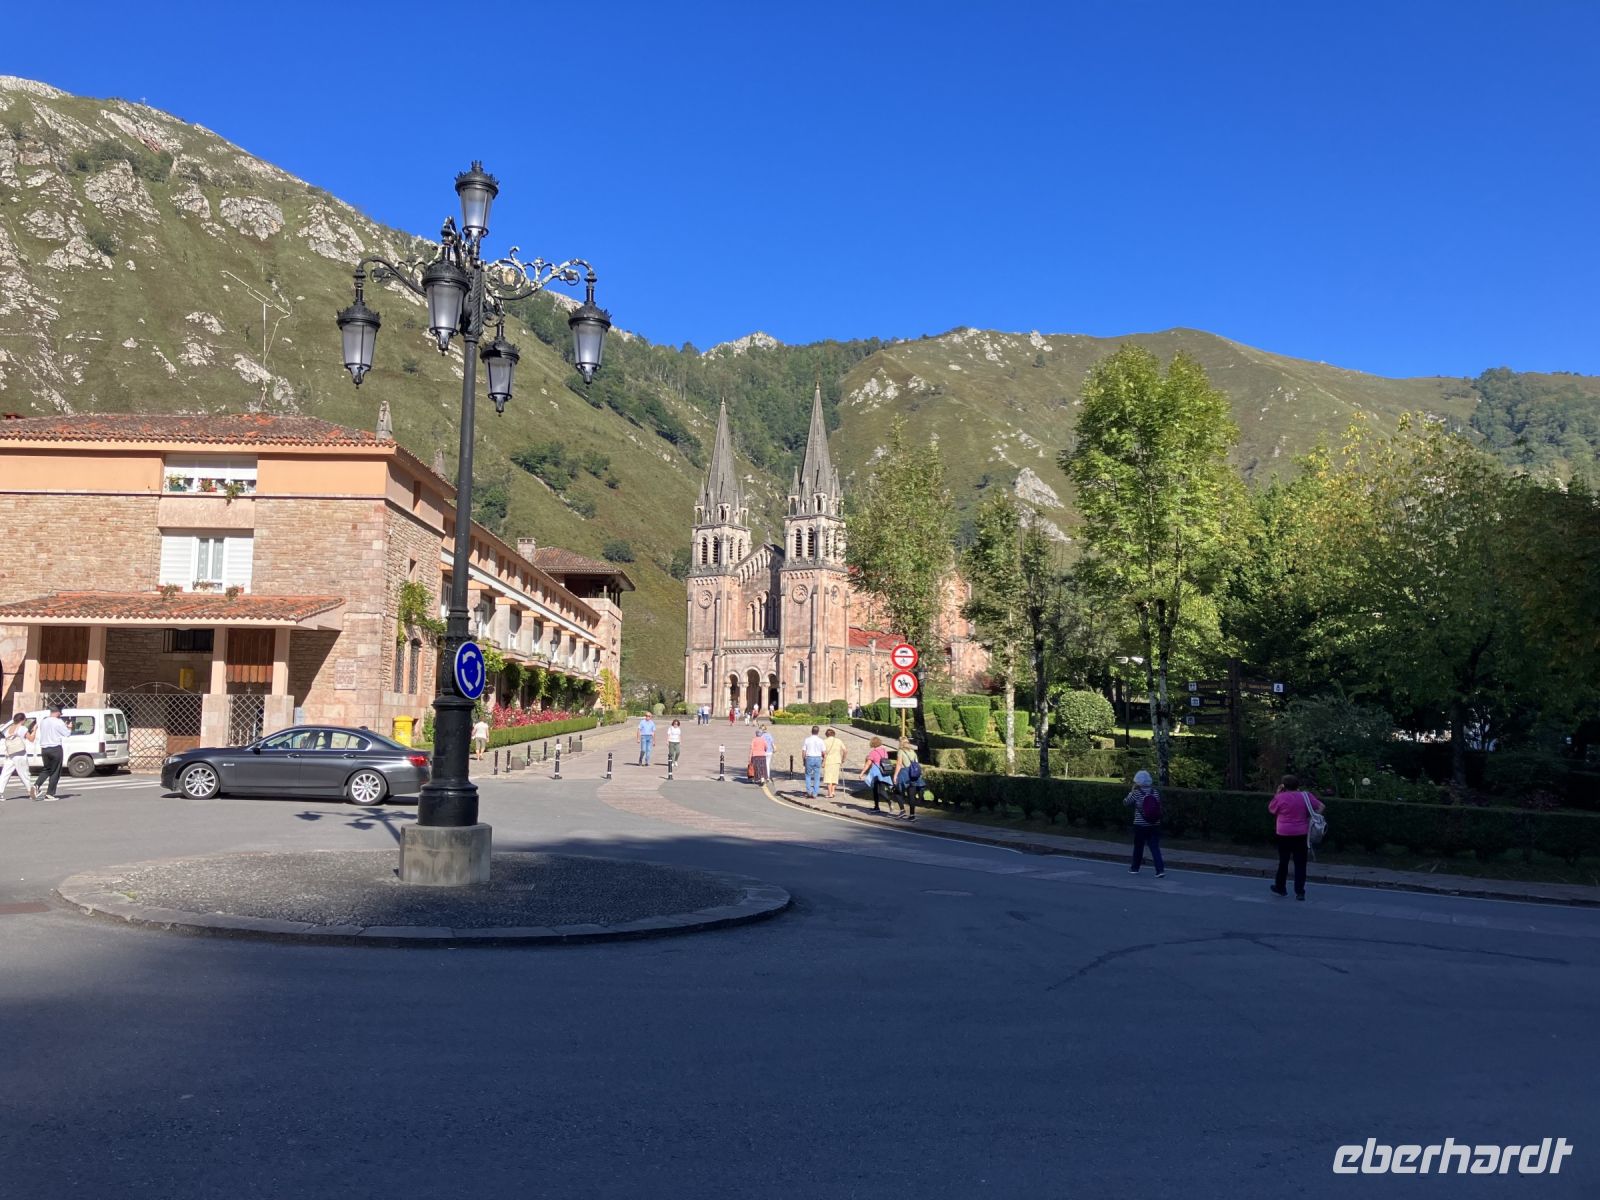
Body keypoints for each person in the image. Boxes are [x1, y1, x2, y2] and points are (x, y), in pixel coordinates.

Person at [1269, 773, 1324, 900]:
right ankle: (1300, 891)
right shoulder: (1305, 796)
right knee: (1300, 863)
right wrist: (1312, 817)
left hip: (1283, 833)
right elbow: (1321, 806)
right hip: (1301, 833)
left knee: (1283, 861)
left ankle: (1280, 887)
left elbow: (1272, 810)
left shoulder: (1280, 797)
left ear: (1284, 785)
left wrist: (1277, 793)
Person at [1124, 769, 1165, 877]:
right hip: (1155, 823)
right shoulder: (1154, 792)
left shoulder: (1137, 793)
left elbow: (1126, 802)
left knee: (1138, 846)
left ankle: (1135, 868)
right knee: (1155, 847)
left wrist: (1131, 792)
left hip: (1140, 824)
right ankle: (1160, 870)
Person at [34, 705, 70, 801]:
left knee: (46, 769)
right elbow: (67, 734)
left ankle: (36, 786)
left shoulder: (44, 721)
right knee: (55, 771)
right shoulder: (59, 722)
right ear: (58, 712)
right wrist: (69, 727)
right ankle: (50, 793)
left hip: (44, 748)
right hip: (55, 748)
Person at [1, 714, 37, 801]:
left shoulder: (8, 729)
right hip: (20, 754)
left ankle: (0, 792)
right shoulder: (23, 729)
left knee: (5, 773)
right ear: (22, 720)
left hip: (10, 753)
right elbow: (31, 739)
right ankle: (30, 792)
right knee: (24, 774)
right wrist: (34, 730)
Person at [893, 738, 922, 819]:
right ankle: (912, 815)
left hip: (905, 774)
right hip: (913, 775)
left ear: (901, 743)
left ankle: (902, 810)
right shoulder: (913, 751)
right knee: (911, 796)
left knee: (897, 791)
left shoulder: (901, 751)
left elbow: (898, 764)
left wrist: (895, 776)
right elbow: (916, 763)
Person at [860, 736, 890, 811]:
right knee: (882, 789)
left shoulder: (873, 752)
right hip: (884, 771)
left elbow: (868, 764)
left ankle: (878, 806)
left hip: (876, 772)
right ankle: (885, 803)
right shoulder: (884, 751)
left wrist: (862, 773)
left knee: (876, 790)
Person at [801, 725, 827, 798]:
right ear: (818, 732)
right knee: (817, 776)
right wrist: (824, 761)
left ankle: (809, 791)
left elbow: (803, 751)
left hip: (809, 758)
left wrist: (803, 760)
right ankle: (815, 793)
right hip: (818, 758)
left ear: (811, 731)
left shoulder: (807, 739)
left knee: (808, 775)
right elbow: (824, 753)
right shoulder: (821, 740)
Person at [821, 728, 846, 799]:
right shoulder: (839, 741)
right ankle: (833, 791)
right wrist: (843, 759)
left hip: (828, 761)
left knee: (828, 777)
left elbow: (823, 752)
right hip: (837, 761)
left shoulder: (824, 741)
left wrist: (823, 759)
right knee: (835, 777)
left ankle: (829, 793)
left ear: (826, 734)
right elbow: (845, 750)